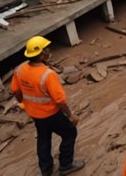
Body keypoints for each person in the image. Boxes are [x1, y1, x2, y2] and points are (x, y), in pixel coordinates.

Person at [11, 36, 84, 176]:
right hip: (51, 114)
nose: (49, 51)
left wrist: (22, 103)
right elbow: (59, 100)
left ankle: (46, 169)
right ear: (41, 53)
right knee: (70, 133)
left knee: (43, 139)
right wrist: (70, 115)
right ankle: (66, 165)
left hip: (35, 114)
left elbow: (15, 90)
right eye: (47, 49)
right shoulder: (48, 75)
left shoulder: (19, 69)